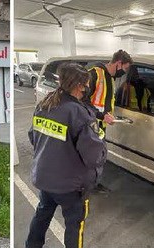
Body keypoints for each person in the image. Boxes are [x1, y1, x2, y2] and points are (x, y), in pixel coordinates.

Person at [26, 63, 107, 248]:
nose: (88, 88)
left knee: (41, 216)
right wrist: (101, 142)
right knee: (74, 226)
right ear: (80, 85)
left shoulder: (45, 103)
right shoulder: (79, 113)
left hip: (45, 179)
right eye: (87, 84)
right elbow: (94, 156)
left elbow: (33, 136)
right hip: (71, 186)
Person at [86, 49, 132, 193]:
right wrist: (101, 116)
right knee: (90, 157)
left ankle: (93, 183)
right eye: (125, 68)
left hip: (100, 126)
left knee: (98, 156)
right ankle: (85, 186)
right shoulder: (95, 74)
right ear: (118, 63)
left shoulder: (110, 78)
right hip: (90, 126)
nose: (124, 72)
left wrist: (107, 116)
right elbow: (82, 102)